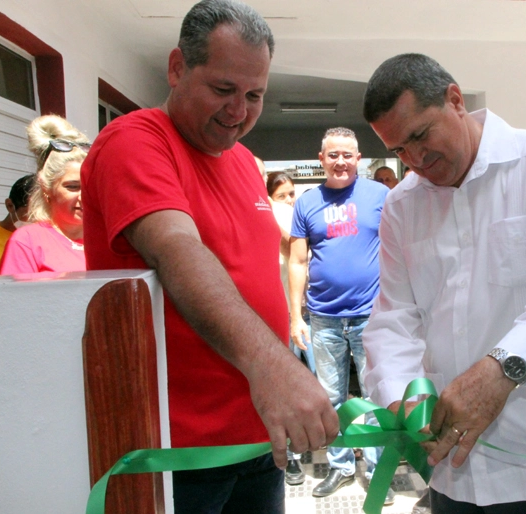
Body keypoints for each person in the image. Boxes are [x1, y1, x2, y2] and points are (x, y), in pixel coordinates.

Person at [80, 1, 339, 512]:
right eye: (223, 89)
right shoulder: (136, 141)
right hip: (176, 451)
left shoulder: (244, 162)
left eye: (255, 95)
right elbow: (178, 250)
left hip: (258, 437)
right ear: (178, 67)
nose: (238, 111)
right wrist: (276, 367)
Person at [361, 53, 526, 513]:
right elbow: (393, 316)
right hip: (454, 470)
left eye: (420, 135)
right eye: (398, 150)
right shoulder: (401, 206)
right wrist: (401, 397)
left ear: (455, 100)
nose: (415, 159)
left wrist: (503, 367)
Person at [288, 127, 392, 502]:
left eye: (347, 155)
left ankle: (380, 470)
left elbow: (401, 248)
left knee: (374, 395)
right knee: (330, 398)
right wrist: (294, 316)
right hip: (324, 317)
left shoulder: (380, 195)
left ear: (358, 158)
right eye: (333, 155)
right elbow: (298, 261)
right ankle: (341, 466)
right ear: (321, 159)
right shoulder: (307, 201)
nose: (341, 162)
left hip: (371, 316)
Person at [267, 171, 315, 485]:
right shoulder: (264, 212)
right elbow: (289, 246)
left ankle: (319, 439)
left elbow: (299, 254)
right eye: (283, 194)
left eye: (291, 193)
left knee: (314, 381)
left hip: (303, 312)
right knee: (282, 386)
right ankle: (290, 456)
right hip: (272, 315)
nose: (289, 200)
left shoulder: (286, 213)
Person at [0, 115, 90, 275]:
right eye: (73, 186)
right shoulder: (27, 241)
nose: (84, 197)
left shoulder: (108, 240)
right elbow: (14, 298)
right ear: (46, 187)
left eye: (90, 187)